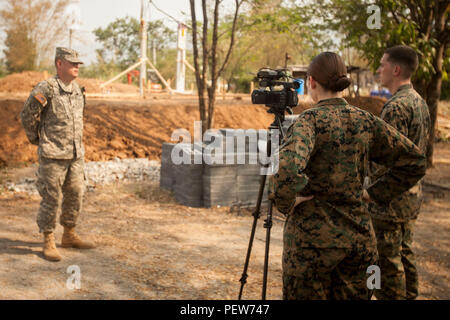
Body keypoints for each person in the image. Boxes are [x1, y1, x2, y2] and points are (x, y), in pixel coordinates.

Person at [269, 52, 427, 299]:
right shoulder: (365, 120)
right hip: (358, 241)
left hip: (311, 246)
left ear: (311, 82)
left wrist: (290, 200)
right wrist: (374, 193)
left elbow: (285, 169)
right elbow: (415, 160)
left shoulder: (309, 121)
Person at [21, 47, 95, 262]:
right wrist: (36, 139)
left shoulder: (78, 90)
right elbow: (27, 114)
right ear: (59, 64)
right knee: (51, 198)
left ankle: (69, 234)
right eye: (72, 63)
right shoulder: (47, 88)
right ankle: (48, 239)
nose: (76, 67)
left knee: (75, 193)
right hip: (52, 154)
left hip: (75, 154)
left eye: (78, 64)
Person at [369, 45, 430, 299]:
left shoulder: (396, 107)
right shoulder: (419, 101)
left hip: (391, 201)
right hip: (410, 196)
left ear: (396, 69)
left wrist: (372, 192)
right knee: (405, 253)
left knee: (388, 262)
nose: (378, 69)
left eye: (382, 64)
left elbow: (386, 159)